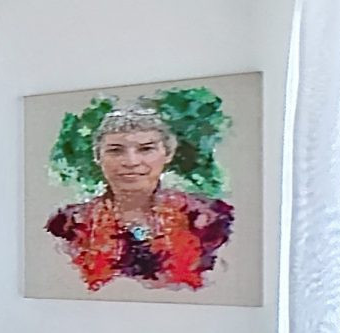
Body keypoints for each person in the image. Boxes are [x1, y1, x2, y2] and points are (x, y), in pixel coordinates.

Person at [45, 104, 233, 291]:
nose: (131, 162)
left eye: (146, 149)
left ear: (168, 154)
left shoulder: (211, 219)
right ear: (98, 157)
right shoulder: (68, 224)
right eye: (116, 151)